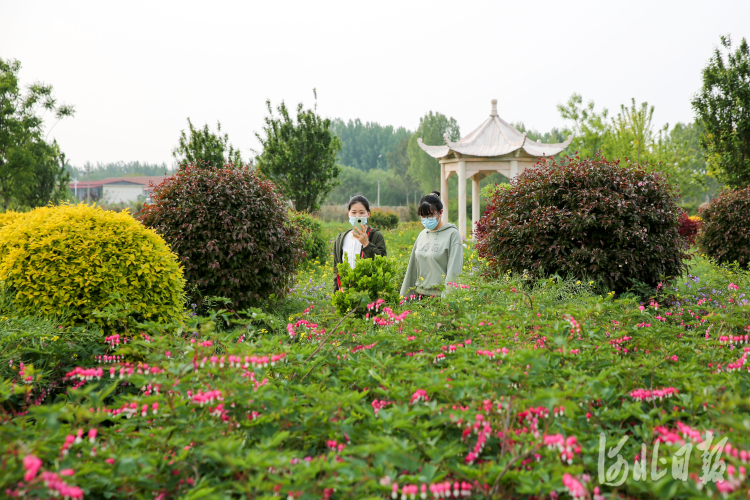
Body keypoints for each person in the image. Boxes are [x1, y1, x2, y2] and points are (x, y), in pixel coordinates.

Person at [400, 191, 463, 299]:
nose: (426, 219)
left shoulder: (452, 235)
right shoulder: (422, 235)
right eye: (423, 216)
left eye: (430, 215)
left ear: (440, 212)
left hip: (439, 298)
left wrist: (447, 302)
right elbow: (412, 268)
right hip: (419, 297)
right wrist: (404, 297)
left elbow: (454, 271)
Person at [332, 195, 388, 292]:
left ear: (368, 214)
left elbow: (382, 263)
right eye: (353, 212)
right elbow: (336, 270)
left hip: (368, 292)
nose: (357, 216)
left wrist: (366, 244)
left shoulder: (376, 236)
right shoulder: (341, 239)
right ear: (348, 213)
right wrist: (336, 292)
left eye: (362, 212)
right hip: (345, 292)